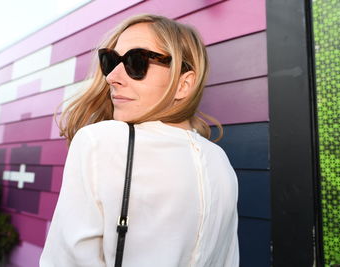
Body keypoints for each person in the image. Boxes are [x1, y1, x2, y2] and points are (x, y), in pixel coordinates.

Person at [39, 14, 239, 267]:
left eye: (136, 61)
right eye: (110, 61)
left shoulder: (100, 141)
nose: (112, 76)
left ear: (183, 84)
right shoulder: (220, 162)